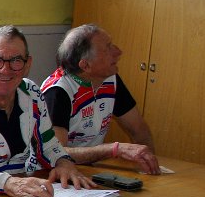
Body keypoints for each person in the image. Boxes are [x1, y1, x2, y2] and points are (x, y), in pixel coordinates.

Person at [0, 25, 94, 197]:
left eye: (16, 60)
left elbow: (48, 145)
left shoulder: (33, 93)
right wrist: (6, 182)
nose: (5, 70)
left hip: (23, 193)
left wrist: (63, 161)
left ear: (28, 64)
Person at [41, 24, 160, 174]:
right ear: (85, 65)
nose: (118, 52)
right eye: (108, 48)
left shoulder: (110, 79)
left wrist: (149, 165)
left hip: (89, 169)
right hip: (55, 173)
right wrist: (114, 149)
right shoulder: (57, 92)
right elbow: (56, 152)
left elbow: (140, 130)